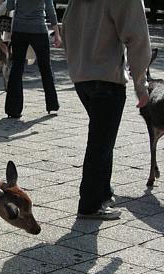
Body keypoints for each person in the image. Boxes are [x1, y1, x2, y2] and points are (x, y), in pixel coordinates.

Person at [62, 0, 151, 220]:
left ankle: (102, 194)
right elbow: (138, 38)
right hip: (107, 78)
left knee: (102, 138)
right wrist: (141, 85)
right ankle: (90, 204)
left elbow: (66, 27)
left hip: (82, 77)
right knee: (100, 144)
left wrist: (76, 64)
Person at [4, 0, 61, 118]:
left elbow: (9, 6)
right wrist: (57, 33)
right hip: (38, 28)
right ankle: (52, 104)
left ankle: (13, 109)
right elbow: (50, 9)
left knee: (17, 67)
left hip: (19, 28)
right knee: (45, 67)